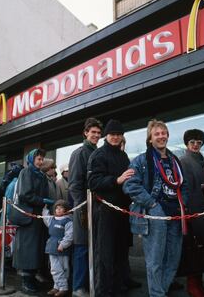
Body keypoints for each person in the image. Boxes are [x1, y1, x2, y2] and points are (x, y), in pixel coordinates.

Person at [123, 119, 189, 297]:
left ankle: (161, 291)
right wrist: (152, 204)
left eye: (163, 133)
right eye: (157, 134)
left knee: (173, 260)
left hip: (175, 216)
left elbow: (184, 186)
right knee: (155, 261)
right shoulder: (141, 160)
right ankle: (157, 294)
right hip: (155, 218)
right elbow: (130, 185)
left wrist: (184, 204)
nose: (161, 137)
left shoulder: (175, 160)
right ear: (150, 139)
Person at [87, 119, 135, 296]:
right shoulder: (98, 155)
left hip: (122, 210)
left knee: (121, 252)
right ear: (106, 136)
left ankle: (118, 288)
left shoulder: (123, 156)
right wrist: (117, 180)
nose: (115, 137)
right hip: (105, 211)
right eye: (112, 134)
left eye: (118, 134)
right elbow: (93, 182)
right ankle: (103, 292)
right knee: (105, 255)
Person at [179, 129, 204, 297]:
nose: (196, 145)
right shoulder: (185, 161)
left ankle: (198, 284)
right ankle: (193, 286)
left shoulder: (200, 160)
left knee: (201, 248)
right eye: (192, 142)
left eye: (199, 142)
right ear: (187, 144)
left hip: (202, 210)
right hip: (193, 212)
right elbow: (185, 189)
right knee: (193, 249)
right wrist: (188, 212)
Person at [68, 117, 103, 297]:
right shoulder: (80, 153)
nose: (96, 135)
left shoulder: (97, 153)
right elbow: (74, 184)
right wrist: (82, 208)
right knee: (81, 248)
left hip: (97, 208)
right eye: (93, 132)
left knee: (94, 248)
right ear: (85, 133)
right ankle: (78, 287)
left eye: (98, 133)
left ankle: (91, 284)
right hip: (84, 207)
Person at [12, 148, 53, 293]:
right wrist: (42, 200)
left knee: (36, 248)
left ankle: (32, 275)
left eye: (42, 159)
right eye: (38, 159)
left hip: (37, 216)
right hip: (28, 216)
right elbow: (24, 194)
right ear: (31, 159)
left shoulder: (40, 175)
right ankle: (26, 278)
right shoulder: (26, 172)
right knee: (27, 248)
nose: (41, 162)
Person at [43, 199, 73, 297]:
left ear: (66, 210)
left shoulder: (68, 221)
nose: (59, 210)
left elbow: (70, 235)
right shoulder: (52, 219)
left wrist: (63, 244)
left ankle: (61, 287)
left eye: (61, 208)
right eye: (57, 208)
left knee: (64, 268)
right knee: (55, 269)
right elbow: (45, 218)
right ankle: (60, 287)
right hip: (52, 247)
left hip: (62, 249)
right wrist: (44, 209)